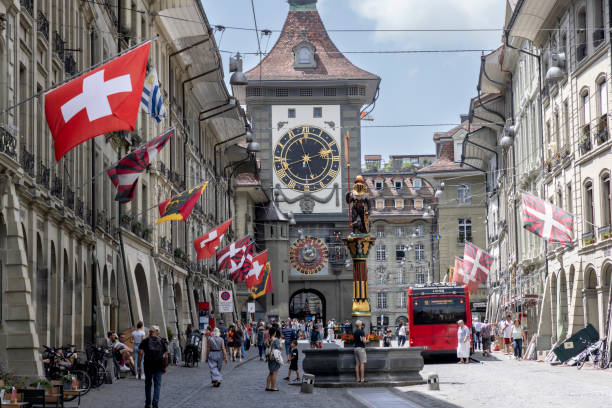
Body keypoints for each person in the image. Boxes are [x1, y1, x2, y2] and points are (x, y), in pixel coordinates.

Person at [137, 325, 168, 408]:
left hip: (148, 365)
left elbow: (140, 353)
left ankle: (147, 403)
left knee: (148, 384)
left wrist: (138, 366)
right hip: (158, 365)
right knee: (157, 385)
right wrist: (164, 367)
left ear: (150, 332)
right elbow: (166, 356)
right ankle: (155, 404)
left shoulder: (145, 341)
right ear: (156, 332)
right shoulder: (161, 341)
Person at [265, 327, 282, 391]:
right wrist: (280, 342)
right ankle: (273, 387)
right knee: (275, 372)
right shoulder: (276, 340)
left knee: (270, 372)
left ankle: (267, 386)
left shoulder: (268, 339)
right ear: (274, 332)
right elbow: (279, 348)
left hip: (269, 357)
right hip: (274, 357)